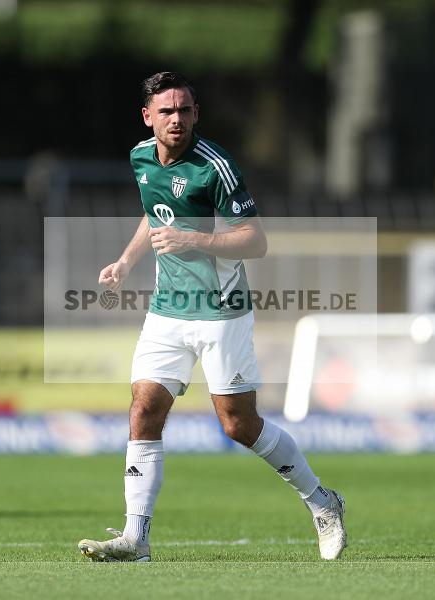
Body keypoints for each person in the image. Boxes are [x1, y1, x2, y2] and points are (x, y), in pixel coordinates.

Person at [77, 72, 346, 562]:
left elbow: (256, 240)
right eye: (166, 111)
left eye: (184, 110)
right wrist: (126, 261)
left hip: (221, 311)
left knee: (239, 425)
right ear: (148, 117)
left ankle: (322, 502)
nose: (176, 119)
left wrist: (193, 239)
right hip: (167, 310)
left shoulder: (215, 167)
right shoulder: (141, 158)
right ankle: (136, 539)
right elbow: (155, 214)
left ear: (195, 114)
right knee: (143, 409)